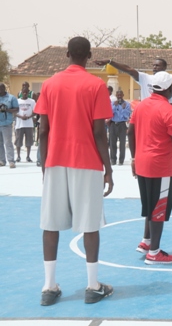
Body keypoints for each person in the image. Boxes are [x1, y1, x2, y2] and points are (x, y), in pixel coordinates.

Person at [36, 37, 114, 306]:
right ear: (89, 56)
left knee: (50, 224)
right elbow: (99, 132)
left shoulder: (49, 84)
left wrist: (45, 165)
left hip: (55, 161)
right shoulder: (96, 85)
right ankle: (93, 286)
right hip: (87, 162)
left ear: (67, 54)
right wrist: (108, 169)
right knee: (90, 224)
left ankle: (49, 287)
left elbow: (43, 131)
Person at [128, 71, 172, 265]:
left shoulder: (140, 106)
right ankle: (154, 253)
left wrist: (133, 158)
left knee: (149, 205)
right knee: (158, 209)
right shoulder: (169, 111)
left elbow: (130, 132)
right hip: (160, 167)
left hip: (142, 164)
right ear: (169, 89)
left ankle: (146, 241)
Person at [93, 58, 172, 105]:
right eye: (153, 65)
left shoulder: (169, 85)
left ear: (164, 68)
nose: (154, 67)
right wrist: (110, 62)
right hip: (147, 114)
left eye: (157, 65)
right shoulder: (145, 78)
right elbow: (128, 69)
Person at [15, 89, 37, 163]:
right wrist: (21, 117)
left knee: (29, 142)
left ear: (28, 93)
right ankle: (18, 156)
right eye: (23, 92)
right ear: (21, 92)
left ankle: (28, 156)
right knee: (18, 141)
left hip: (29, 124)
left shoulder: (32, 101)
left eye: (26, 92)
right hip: (19, 124)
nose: (25, 93)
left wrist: (29, 117)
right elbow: (14, 112)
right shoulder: (17, 101)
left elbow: (35, 111)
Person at [109, 90, 131, 165]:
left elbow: (126, 115)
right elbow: (110, 113)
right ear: (116, 95)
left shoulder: (127, 104)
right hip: (113, 124)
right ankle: (113, 160)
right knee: (112, 143)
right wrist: (115, 106)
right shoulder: (112, 103)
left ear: (123, 95)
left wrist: (123, 108)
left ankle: (121, 160)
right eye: (118, 95)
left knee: (122, 143)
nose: (119, 96)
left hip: (122, 125)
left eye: (120, 95)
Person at [0, 83, 19, 168]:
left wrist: (7, 109)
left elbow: (17, 109)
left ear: (4, 88)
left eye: (1, 88)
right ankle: (2, 160)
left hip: (6, 124)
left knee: (8, 143)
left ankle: (11, 161)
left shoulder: (11, 98)